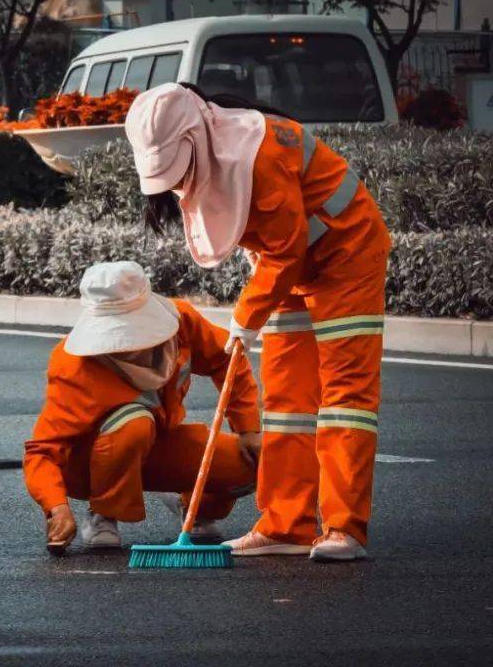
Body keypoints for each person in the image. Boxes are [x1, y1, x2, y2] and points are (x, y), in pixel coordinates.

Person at [125, 83, 391, 562]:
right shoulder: (210, 146)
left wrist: (246, 317)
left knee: (344, 395)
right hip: (289, 267)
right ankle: (286, 526)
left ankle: (344, 528)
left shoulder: (261, 151)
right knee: (288, 399)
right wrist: (252, 310)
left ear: (193, 137)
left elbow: (285, 248)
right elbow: (276, 249)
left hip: (347, 255)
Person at [23, 261, 261, 550]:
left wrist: (249, 428)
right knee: (133, 422)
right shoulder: (73, 365)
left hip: (159, 442)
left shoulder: (181, 321)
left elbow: (228, 358)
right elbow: (43, 452)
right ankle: (104, 512)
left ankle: (194, 511)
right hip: (91, 461)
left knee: (249, 464)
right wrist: (56, 507)